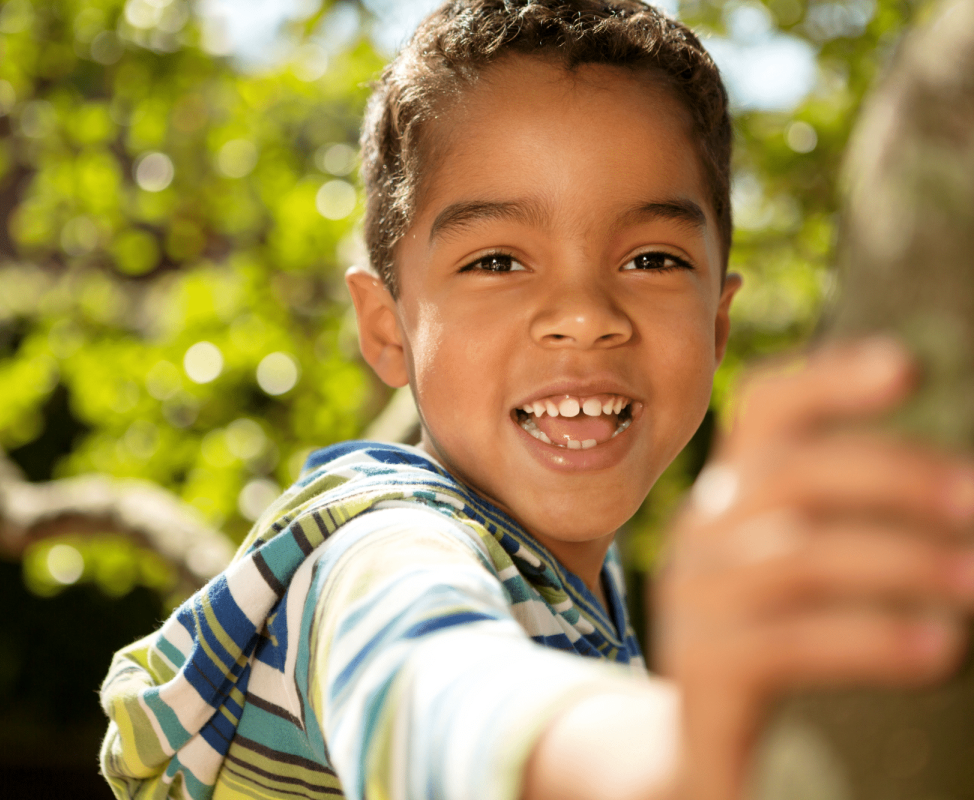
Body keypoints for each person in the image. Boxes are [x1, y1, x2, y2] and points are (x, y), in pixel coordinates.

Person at [98, 2, 974, 799]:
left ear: (718, 321)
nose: (587, 316)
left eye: (653, 259)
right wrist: (664, 758)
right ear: (388, 329)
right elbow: (432, 689)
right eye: (497, 261)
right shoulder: (378, 545)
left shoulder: (577, 584)